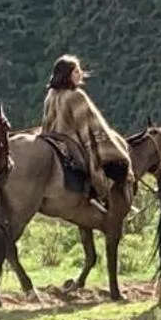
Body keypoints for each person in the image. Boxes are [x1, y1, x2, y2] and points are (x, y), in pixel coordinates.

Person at [42, 55, 131, 208]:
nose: (81, 74)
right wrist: (109, 145)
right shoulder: (76, 95)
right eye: (76, 71)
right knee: (102, 161)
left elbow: (47, 122)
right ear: (66, 75)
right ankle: (100, 196)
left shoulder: (51, 95)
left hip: (53, 138)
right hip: (73, 140)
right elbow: (93, 125)